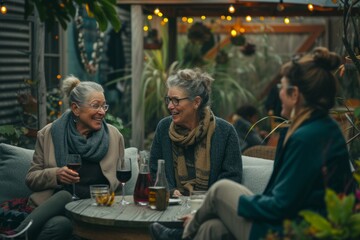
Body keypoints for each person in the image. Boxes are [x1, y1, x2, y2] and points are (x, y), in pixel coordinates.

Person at [150, 47, 355, 240]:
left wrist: (224, 206)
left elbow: (280, 204)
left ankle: (179, 234)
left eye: (280, 87)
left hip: (293, 231)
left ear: (295, 94)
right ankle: (190, 229)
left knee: (221, 190)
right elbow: (281, 198)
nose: (278, 94)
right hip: (285, 222)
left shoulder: (309, 137)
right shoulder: (309, 130)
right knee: (210, 228)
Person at [17, 75, 125, 240]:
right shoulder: (48, 134)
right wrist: (56, 175)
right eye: (96, 106)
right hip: (59, 207)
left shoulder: (114, 136)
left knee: (61, 225)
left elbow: (119, 183)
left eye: (104, 106)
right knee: (61, 219)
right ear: (76, 109)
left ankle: (16, 236)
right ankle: (18, 235)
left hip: (97, 208)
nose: (102, 112)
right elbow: (31, 178)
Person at [149, 68, 243, 198]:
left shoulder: (225, 131)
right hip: (170, 204)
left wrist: (205, 199)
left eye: (176, 100)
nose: (170, 106)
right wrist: (169, 190)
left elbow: (232, 177)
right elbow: (154, 169)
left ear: (196, 102)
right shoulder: (163, 128)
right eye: (169, 100)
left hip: (209, 206)